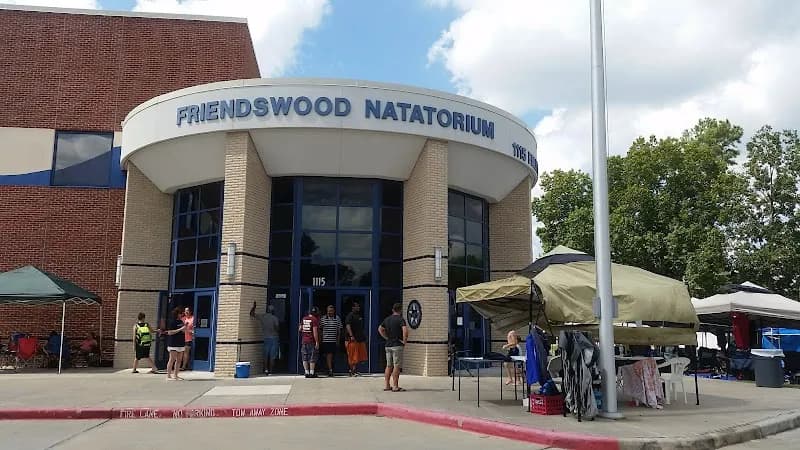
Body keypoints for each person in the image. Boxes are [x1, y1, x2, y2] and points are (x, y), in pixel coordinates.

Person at [378, 302, 408, 392]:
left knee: (388, 365)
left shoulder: (387, 319)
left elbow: (380, 329)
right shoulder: (400, 319)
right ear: (401, 310)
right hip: (397, 345)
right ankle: (395, 386)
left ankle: (387, 385)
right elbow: (405, 331)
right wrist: (404, 341)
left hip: (388, 345)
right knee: (396, 366)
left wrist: (386, 337)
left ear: (393, 310)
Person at [250, 301, 280, 375]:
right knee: (272, 356)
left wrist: (254, 307)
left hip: (266, 338)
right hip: (274, 338)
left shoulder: (263, 317)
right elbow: (277, 328)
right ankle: (271, 371)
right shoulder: (275, 318)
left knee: (266, 355)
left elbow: (252, 314)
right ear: (273, 311)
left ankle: (266, 369)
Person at [345, 302, 368, 376]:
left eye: (358, 306)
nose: (358, 307)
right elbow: (348, 325)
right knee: (352, 356)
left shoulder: (359, 316)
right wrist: (351, 336)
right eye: (357, 306)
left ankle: (355, 370)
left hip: (360, 339)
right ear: (353, 308)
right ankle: (351, 371)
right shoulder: (350, 315)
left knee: (357, 356)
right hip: (352, 339)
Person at [320, 304, 343, 377]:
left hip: (334, 340)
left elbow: (339, 330)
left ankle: (329, 369)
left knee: (331, 356)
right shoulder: (323, 318)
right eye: (329, 311)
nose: (330, 312)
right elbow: (320, 330)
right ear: (327, 311)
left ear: (334, 311)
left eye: (331, 311)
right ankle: (330, 370)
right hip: (325, 341)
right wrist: (320, 340)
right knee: (329, 355)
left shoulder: (337, 318)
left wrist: (338, 340)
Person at [164, 307, 186, 380]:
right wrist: (180, 329)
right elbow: (170, 332)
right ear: (177, 314)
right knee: (172, 359)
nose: (181, 315)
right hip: (173, 343)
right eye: (180, 313)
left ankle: (176, 375)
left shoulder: (181, 321)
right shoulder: (172, 322)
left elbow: (183, 331)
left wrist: (185, 329)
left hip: (181, 342)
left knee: (179, 360)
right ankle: (168, 375)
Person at [298, 306, 320, 378]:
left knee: (305, 356)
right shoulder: (314, 320)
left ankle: (306, 372)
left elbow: (300, 329)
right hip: (311, 341)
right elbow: (315, 332)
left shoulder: (304, 318)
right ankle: (312, 373)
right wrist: (317, 342)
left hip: (304, 340)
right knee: (312, 357)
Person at [181, 306, 194, 371]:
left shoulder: (193, 318)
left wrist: (191, 331)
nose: (186, 312)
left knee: (186, 352)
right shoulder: (183, 319)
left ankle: (184, 366)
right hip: (182, 338)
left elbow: (195, 328)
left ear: (190, 311)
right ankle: (181, 365)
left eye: (187, 310)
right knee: (182, 352)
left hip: (189, 338)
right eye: (185, 311)